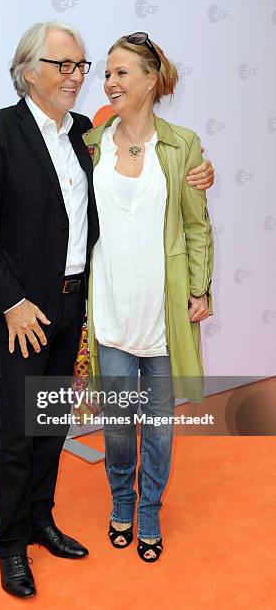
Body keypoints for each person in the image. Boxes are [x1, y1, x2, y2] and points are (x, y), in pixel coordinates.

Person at [0, 22, 213, 597]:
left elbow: (149, 183)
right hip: (22, 316)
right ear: (29, 71)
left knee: (50, 427)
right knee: (18, 432)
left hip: (73, 308)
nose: (77, 77)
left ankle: (42, 521)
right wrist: (12, 303)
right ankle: (11, 544)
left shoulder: (83, 134)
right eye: (63, 65)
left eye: (81, 67)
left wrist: (200, 173)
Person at [84, 32, 214, 563]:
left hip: (164, 314)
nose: (110, 82)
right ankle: (120, 502)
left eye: (121, 73)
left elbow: (197, 223)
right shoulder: (89, 143)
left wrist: (200, 287)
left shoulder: (182, 144)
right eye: (107, 73)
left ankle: (149, 512)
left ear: (150, 79)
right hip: (111, 308)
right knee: (118, 428)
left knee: (158, 429)